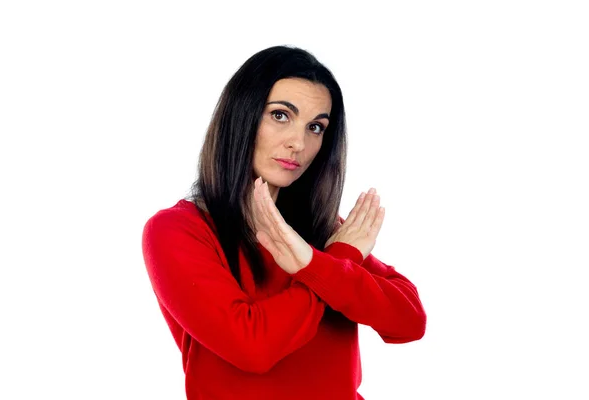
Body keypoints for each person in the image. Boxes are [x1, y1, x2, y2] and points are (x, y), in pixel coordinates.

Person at [141, 45, 426, 400]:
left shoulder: (323, 230)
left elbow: (409, 320)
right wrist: (334, 261)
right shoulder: (176, 230)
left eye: (316, 127)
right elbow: (252, 347)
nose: (299, 143)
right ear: (240, 116)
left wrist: (323, 262)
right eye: (280, 115)